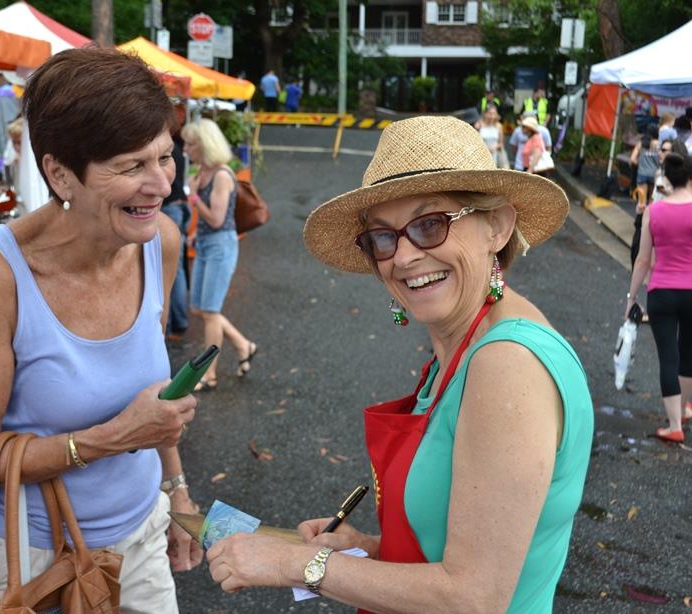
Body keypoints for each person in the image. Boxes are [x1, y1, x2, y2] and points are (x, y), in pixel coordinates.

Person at [205, 115, 593, 613]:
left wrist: (292, 564)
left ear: (497, 225)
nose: (405, 257)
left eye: (430, 225)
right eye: (384, 237)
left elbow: (474, 597)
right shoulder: (462, 345)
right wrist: (366, 550)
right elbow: (456, 547)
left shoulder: (507, 364)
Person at [0, 48, 202, 613]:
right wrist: (112, 438)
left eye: (166, 156)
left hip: (140, 537)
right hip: (25, 558)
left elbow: (153, 405)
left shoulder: (159, 244)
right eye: (132, 166)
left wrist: (176, 493)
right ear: (60, 174)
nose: (161, 184)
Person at [181, 119, 257, 390]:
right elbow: (204, 220)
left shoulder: (222, 175)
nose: (186, 149)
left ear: (205, 145)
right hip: (204, 243)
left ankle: (209, 375)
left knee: (210, 312)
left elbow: (216, 218)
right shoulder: (201, 172)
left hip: (221, 245)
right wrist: (194, 234)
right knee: (200, 308)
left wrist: (192, 198)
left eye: (191, 144)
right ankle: (243, 344)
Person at [625, 152, 692, 442]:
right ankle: (685, 409)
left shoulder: (654, 210)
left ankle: (674, 425)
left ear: (667, 178)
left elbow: (642, 260)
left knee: (668, 357)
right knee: (687, 355)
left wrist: (631, 297)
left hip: (661, 292)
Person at [164, 106, 191, 342]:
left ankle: (175, 323)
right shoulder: (179, 147)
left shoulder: (170, 148)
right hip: (180, 205)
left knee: (172, 268)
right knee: (177, 265)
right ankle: (178, 322)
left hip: (171, 208)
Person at [478, 104, 507, 169]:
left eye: (494, 114)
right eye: (490, 113)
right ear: (485, 114)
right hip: (482, 155)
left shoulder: (499, 126)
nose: (492, 116)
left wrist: (495, 146)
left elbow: (501, 144)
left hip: (495, 155)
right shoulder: (479, 125)